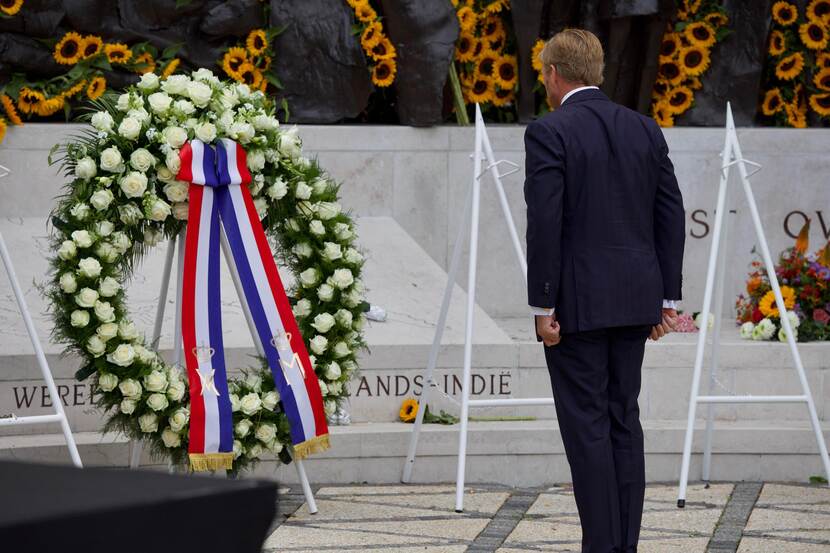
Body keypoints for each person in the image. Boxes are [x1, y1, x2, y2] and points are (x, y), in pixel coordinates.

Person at [523, 29, 685, 553]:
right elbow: (670, 214)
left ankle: (602, 546)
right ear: (597, 70)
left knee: (588, 428)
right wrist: (667, 300)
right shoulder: (644, 127)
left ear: (553, 73)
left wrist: (543, 305)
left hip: (577, 306)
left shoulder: (550, 130)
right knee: (623, 420)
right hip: (635, 300)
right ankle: (624, 545)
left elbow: (544, 222)